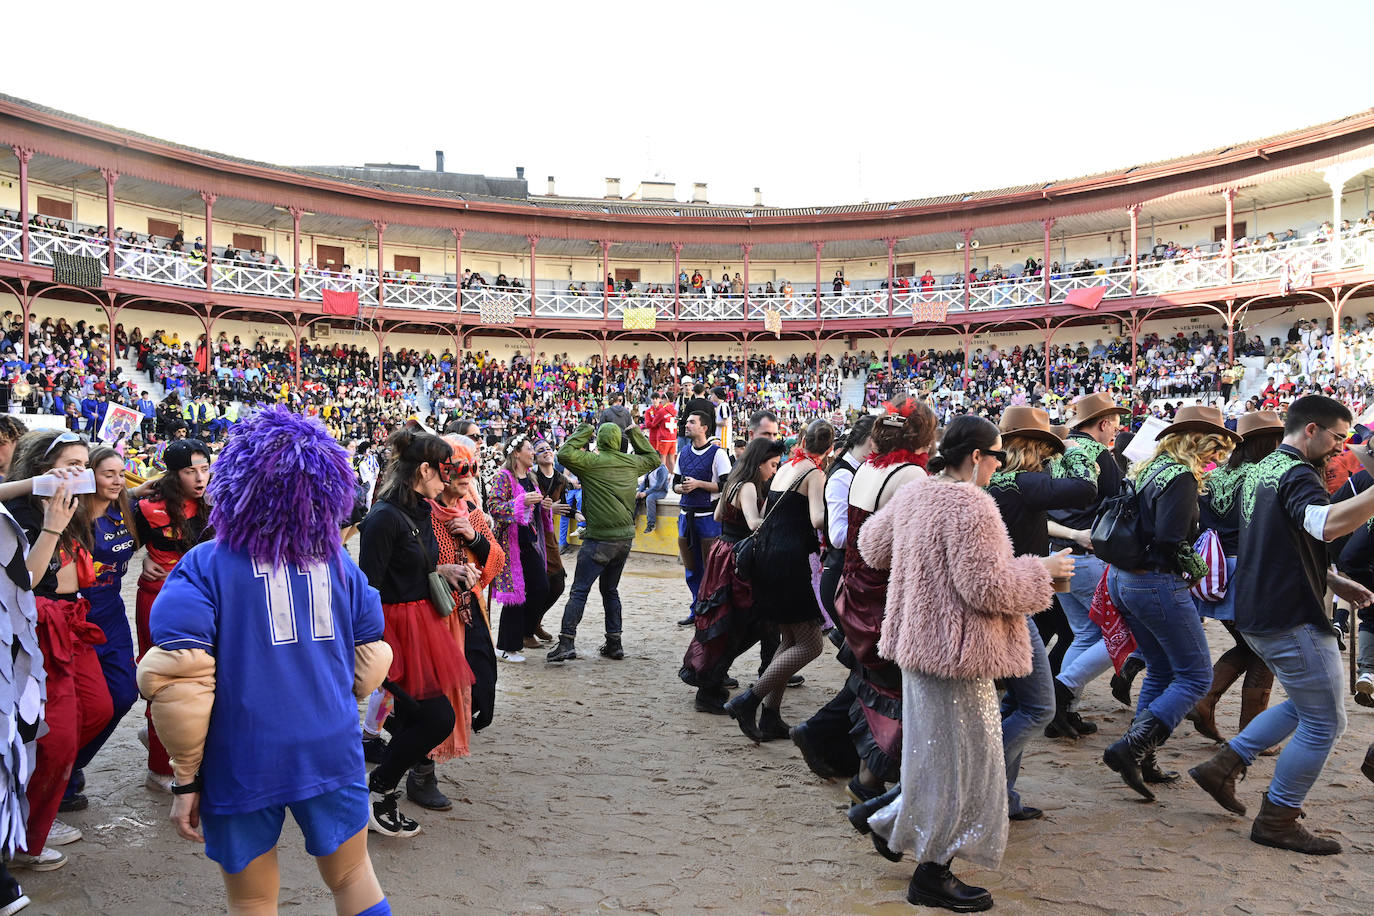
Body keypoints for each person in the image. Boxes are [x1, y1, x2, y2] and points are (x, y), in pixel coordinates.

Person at [136, 406, 394, 915]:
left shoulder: (204, 564)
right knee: (353, 877)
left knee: (252, 900)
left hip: (244, 755)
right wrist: (334, 707)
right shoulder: (339, 560)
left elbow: (179, 685)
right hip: (330, 746)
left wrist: (186, 779)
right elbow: (371, 657)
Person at [854, 415, 1069, 912]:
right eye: (997, 455)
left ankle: (890, 828)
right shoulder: (972, 504)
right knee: (965, 766)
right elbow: (986, 586)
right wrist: (1044, 570)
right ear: (976, 456)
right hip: (958, 654)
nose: (999, 464)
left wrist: (923, 561)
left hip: (919, 647)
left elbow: (871, 547)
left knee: (934, 759)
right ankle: (932, 873)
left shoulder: (917, 492)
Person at [1190, 395, 1374, 854]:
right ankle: (1278, 817)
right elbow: (1325, 525)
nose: (1340, 448)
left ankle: (1224, 765)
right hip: (1288, 615)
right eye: (1336, 437)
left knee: (1311, 705)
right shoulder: (1295, 472)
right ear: (1310, 430)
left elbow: (1277, 541)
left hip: (1258, 609)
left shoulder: (1263, 470)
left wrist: (1332, 578)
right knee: (1325, 721)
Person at [1103, 406, 1239, 801]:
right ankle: (1129, 749)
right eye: (1218, 447)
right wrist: (1197, 569)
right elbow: (1169, 539)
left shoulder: (1151, 467)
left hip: (1125, 580)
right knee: (1195, 677)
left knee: (1161, 669)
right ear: (1201, 442)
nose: (1219, 456)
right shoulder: (1180, 476)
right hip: (1156, 583)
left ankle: (1141, 756)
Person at [357, 427, 476, 838]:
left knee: (415, 718)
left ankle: (379, 794)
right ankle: (378, 791)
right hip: (394, 629)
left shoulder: (420, 510)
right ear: (423, 469)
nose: (449, 481)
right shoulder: (383, 517)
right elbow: (368, 584)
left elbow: (416, 565)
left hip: (422, 622)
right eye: (444, 472)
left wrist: (440, 571)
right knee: (435, 718)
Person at [984, 407, 1093, 820]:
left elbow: (1037, 520)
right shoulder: (1025, 482)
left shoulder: (999, 483)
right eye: (1047, 451)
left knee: (1019, 703)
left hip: (1007, 598)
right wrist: (1076, 448)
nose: (1051, 458)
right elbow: (1085, 490)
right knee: (1037, 707)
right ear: (1035, 449)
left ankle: (1001, 797)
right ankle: (984, 779)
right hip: (1014, 603)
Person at [829, 397, 935, 801]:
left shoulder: (866, 470)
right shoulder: (910, 476)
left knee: (874, 688)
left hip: (855, 589)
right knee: (897, 695)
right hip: (881, 597)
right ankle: (870, 780)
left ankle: (866, 776)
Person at [723, 420, 831, 742]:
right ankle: (749, 700)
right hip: (791, 562)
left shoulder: (786, 467)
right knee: (811, 645)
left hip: (769, 558)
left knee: (788, 641)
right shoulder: (814, 472)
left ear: (801, 440)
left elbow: (770, 510)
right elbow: (816, 519)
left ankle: (771, 715)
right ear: (829, 449)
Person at [1186, 411, 1283, 743]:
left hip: (1215, 567)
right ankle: (1251, 733)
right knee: (1263, 649)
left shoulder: (1216, 475)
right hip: (1250, 568)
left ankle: (1206, 699)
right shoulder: (1263, 475)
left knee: (1250, 644)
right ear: (1270, 442)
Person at [1046, 392, 1137, 734]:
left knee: (1084, 633)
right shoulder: (1099, 453)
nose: (1116, 429)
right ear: (1102, 424)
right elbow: (1121, 502)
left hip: (1058, 552)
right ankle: (1063, 691)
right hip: (1088, 555)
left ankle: (1063, 711)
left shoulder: (1056, 450)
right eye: (1114, 423)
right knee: (1122, 631)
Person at [419, 435, 500, 803]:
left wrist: (474, 538)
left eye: (473, 467)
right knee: (434, 696)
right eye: (459, 468)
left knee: (482, 687)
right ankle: (422, 773)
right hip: (433, 617)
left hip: (470, 614)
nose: (468, 475)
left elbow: (496, 560)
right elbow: (405, 566)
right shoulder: (420, 513)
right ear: (440, 472)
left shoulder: (472, 512)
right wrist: (440, 569)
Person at [679, 436, 785, 715]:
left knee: (728, 620)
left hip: (723, 552)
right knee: (738, 623)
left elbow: (717, 516)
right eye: (772, 465)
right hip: (738, 557)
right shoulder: (749, 486)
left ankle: (713, 679)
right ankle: (710, 684)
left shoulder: (735, 482)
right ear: (760, 462)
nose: (774, 471)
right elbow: (754, 523)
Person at [62, 446, 141, 812]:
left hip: (112, 615)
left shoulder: (125, 510)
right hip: (76, 619)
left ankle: (71, 765)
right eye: (108, 473)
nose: (117, 480)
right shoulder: (68, 515)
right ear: (88, 474)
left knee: (125, 694)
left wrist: (156, 564)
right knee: (87, 705)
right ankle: (59, 778)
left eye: (120, 473)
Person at [133, 438, 212, 794]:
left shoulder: (219, 503)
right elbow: (112, 544)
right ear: (173, 472)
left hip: (208, 603)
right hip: (159, 602)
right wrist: (145, 557)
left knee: (206, 682)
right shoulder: (148, 507)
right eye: (189, 470)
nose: (199, 477)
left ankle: (189, 753)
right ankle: (158, 769)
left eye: (204, 468)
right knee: (165, 682)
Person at [546, 419, 661, 662]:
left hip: (598, 538)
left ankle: (567, 641)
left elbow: (564, 453)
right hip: (624, 539)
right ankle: (614, 643)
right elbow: (654, 458)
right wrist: (636, 433)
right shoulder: (632, 463)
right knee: (610, 590)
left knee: (579, 591)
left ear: (599, 440)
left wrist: (585, 431)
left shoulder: (591, 463)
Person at [490, 434, 554, 663]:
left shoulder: (532, 478)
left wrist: (544, 507)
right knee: (514, 596)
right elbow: (495, 507)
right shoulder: (503, 477)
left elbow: (535, 510)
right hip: (510, 545)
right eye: (529, 448)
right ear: (517, 453)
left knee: (540, 587)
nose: (533, 453)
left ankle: (524, 633)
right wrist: (521, 503)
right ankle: (507, 646)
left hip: (530, 542)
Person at [673, 411, 730, 627]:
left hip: (708, 517)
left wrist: (699, 484)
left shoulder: (718, 454)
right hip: (686, 516)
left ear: (704, 427)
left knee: (710, 567)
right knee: (691, 566)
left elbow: (726, 485)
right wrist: (683, 487)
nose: (686, 425)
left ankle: (711, 610)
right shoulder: (684, 453)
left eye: (691, 422)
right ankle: (697, 607)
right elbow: (675, 484)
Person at [634, 456, 670, 535]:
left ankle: (651, 524)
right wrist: (639, 491)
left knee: (650, 498)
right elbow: (644, 483)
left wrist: (646, 493)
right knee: (636, 496)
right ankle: (632, 521)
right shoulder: (650, 469)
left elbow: (659, 486)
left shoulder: (662, 469)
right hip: (651, 490)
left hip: (661, 491)